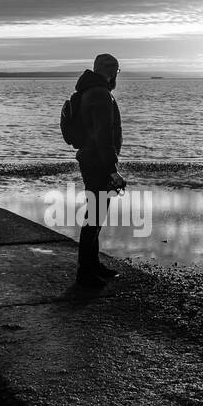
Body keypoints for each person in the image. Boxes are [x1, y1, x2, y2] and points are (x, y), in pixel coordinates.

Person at [73, 53, 125, 288]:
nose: (116, 76)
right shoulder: (101, 95)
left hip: (90, 159)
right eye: (116, 72)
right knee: (94, 217)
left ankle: (92, 265)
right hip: (97, 163)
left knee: (94, 215)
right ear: (110, 71)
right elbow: (103, 136)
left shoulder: (89, 91)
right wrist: (113, 170)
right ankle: (85, 271)